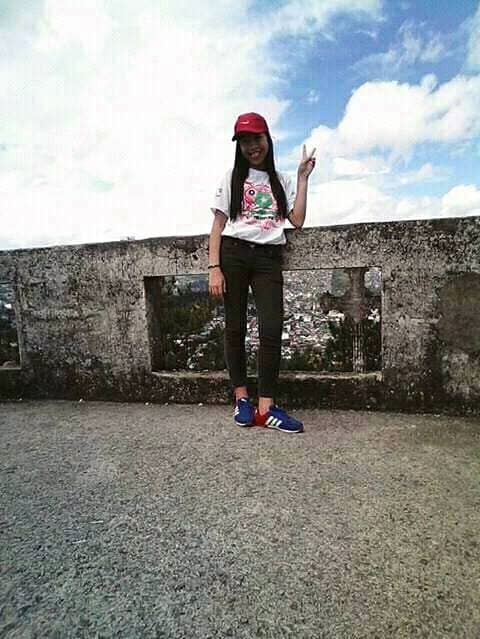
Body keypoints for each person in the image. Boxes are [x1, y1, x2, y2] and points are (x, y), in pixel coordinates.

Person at [208, 112, 316, 433]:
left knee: (271, 328)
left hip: (268, 258)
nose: (252, 146)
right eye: (244, 141)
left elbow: (297, 220)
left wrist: (302, 178)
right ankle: (242, 399)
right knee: (235, 327)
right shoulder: (232, 177)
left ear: (267, 139)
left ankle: (266, 407)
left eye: (256, 138)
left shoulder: (280, 181)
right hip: (234, 254)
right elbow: (217, 225)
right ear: (238, 146)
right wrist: (214, 267)